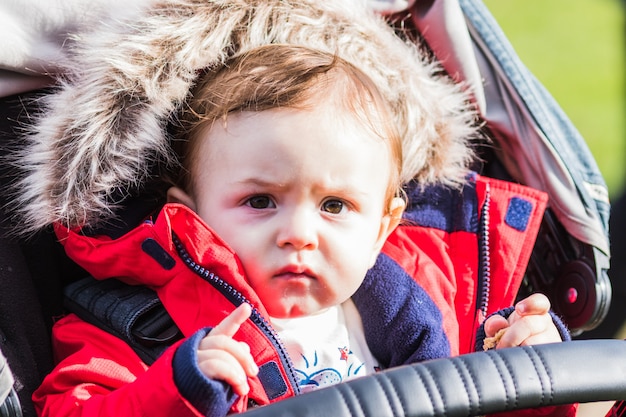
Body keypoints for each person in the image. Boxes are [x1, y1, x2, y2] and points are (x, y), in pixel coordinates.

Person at [30, 43, 573, 417]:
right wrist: (174, 389)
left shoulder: (447, 315)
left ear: (383, 227)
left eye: (334, 205)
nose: (298, 233)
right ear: (191, 217)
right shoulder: (142, 327)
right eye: (260, 201)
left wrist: (533, 371)